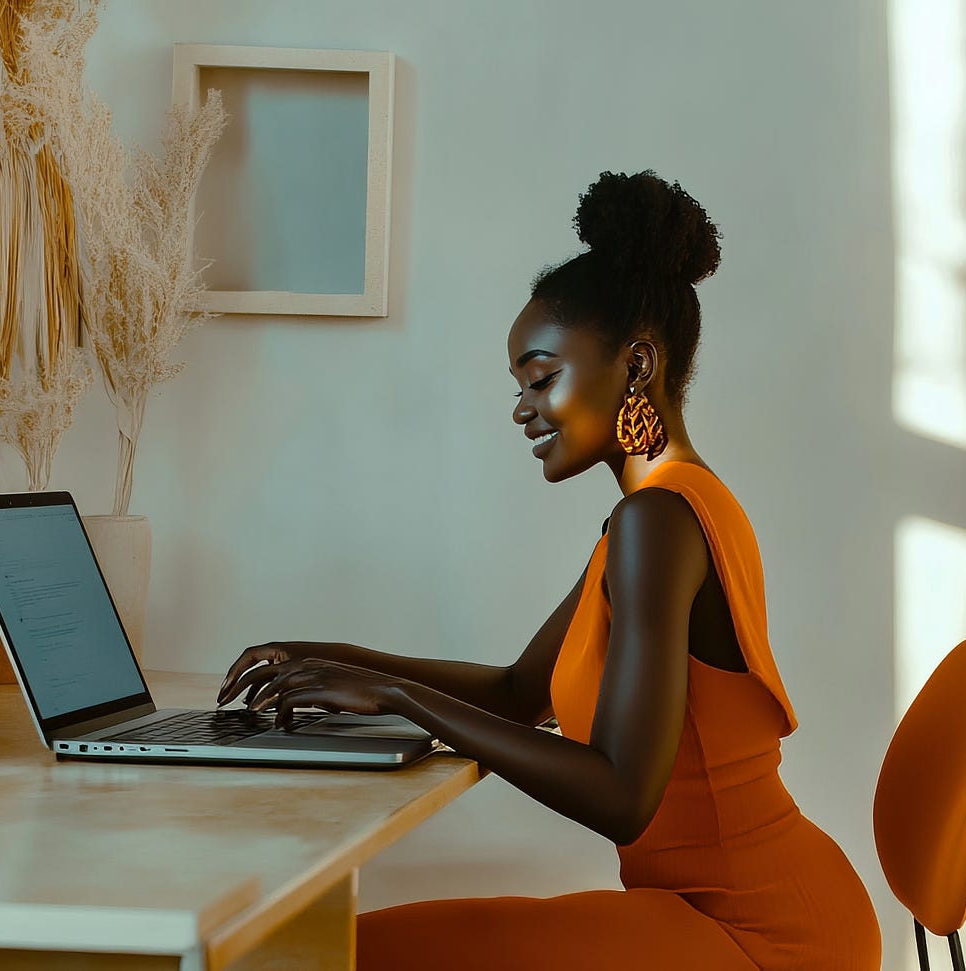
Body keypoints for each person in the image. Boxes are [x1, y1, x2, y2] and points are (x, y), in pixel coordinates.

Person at [217, 171, 882, 969]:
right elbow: (519, 694)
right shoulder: (659, 509)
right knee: (334, 951)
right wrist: (330, 660)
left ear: (637, 366)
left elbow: (622, 796)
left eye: (541, 377)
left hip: (758, 937)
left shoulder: (659, 521)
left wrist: (399, 699)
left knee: (330, 959)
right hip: (754, 909)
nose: (522, 407)